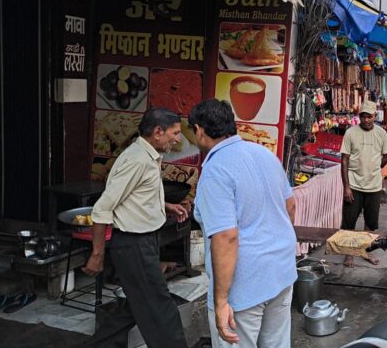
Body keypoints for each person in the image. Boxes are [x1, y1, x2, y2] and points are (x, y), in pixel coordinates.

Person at [190, 99, 297, 348]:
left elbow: (226, 236)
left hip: (245, 284)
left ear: (199, 130)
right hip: (281, 270)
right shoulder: (263, 154)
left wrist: (220, 301)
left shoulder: (216, 169)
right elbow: (290, 206)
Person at [85, 108, 188, 348]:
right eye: (174, 133)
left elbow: (135, 194)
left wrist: (165, 205)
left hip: (143, 243)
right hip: (133, 245)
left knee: (133, 307)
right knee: (161, 309)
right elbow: (102, 208)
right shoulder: (137, 160)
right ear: (158, 132)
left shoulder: (147, 155)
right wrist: (97, 254)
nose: (178, 139)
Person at [341, 100, 387, 268]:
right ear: (359, 116)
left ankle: (365, 251)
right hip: (354, 185)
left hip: (374, 186)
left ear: (374, 116)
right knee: (349, 222)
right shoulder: (350, 133)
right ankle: (349, 254)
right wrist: (346, 187)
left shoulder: (381, 133)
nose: (366, 120)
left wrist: (375, 167)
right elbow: (344, 160)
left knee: (371, 223)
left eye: (369, 117)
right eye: (363, 116)